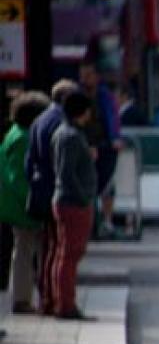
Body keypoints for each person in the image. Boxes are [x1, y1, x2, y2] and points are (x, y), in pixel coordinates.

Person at [25, 79, 79, 316]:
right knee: (58, 249)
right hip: (57, 191)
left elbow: (30, 161)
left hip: (42, 188)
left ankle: (46, 297)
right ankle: (55, 299)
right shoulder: (60, 122)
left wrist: (35, 184)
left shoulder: (40, 120)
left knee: (48, 247)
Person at [1, 91, 51, 314]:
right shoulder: (23, 138)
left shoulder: (15, 133)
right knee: (24, 250)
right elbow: (18, 177)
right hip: (22, 207)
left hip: (15, 204)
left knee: (24, 249)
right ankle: (22, 299)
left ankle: (30, 297)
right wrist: (34, 201)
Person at [50, 92, 98, 321]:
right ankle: (66, 304)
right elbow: (66, 173)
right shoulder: (70, 136)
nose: (90, 114)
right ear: (81, 111)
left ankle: (62, 301)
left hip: (67, 201)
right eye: (87, 110)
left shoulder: (65, 133)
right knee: (69, 256)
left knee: (65, 254)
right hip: (72, 204)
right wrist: (83, 198)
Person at [78, 62, 120, 236]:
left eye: (88, 75)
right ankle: (87, 223)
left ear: (96, 77)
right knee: (86, 186)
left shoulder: (105, 96)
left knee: (106, 185)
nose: (84, 79)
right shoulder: (76, 94)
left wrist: (115, 139)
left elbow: (113, 119)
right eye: (82, 75)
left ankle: (105, 221)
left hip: (104, 148)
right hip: (82, 147)